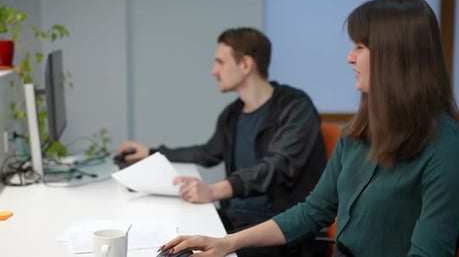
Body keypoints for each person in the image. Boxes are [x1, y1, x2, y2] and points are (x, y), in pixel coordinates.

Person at [157, 0, 459, 257]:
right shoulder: (359, 133)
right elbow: (312, 212)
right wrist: (227, 243)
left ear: (396, 57)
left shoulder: (448, 150)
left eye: (360, 47)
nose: (349, 58)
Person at [118, 27, 328, 257]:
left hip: (276, 231)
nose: (213, 71)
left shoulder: (295, 107)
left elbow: (277, 167)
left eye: (220, 62)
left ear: (246, 64)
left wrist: (214, 190)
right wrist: (151, 151)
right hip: (235, 220)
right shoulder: (232, 114)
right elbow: (208, 153)